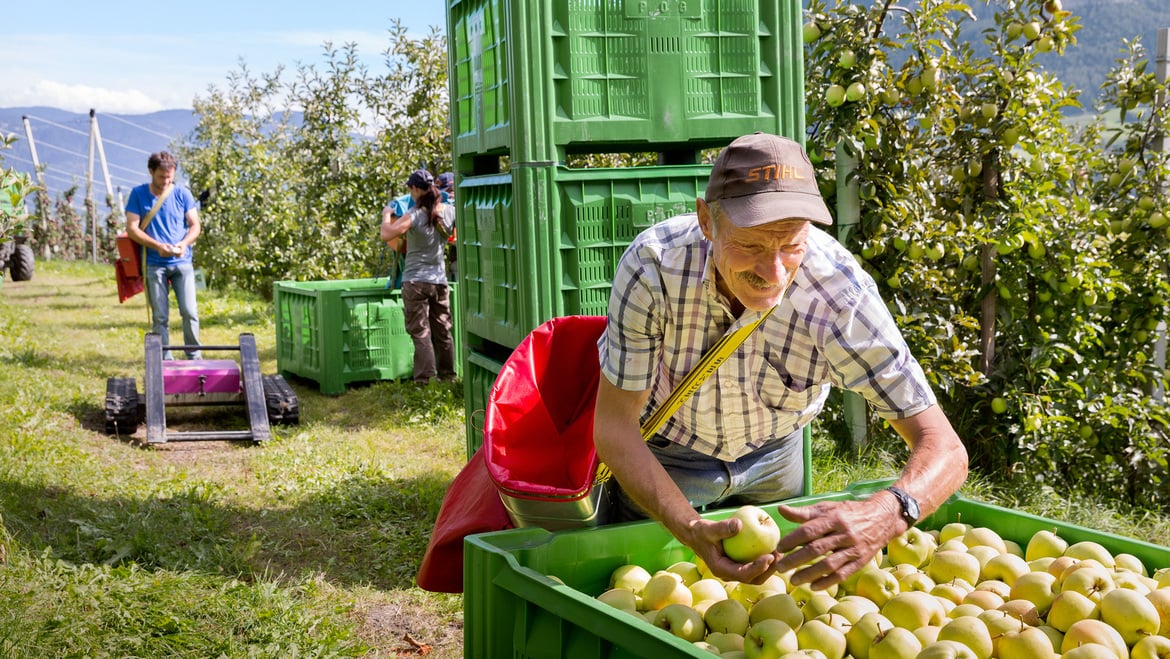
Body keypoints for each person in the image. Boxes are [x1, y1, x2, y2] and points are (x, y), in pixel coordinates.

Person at [592, 132, 969, 591]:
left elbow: (945, 447)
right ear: (707, 220)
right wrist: (688, 528)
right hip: (669, 456)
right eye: (751, 245)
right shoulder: (655, 268)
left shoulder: (838, 295)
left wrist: (892, 509)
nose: (774, 274)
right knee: (648, 588)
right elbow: (615, 427)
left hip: (776, 455)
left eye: (791, 245)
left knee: (772, 599)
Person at [380, 169, 457, 384]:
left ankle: (425, 381)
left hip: (415, 282)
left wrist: (386, 214)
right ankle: (448, 377)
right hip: (439, 282)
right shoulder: (450, 211)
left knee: (421, 332)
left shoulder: (414, 214)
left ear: (415, 189)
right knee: (443, 331)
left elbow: (386, 234)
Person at [125, 151, 203, 360]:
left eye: (170, 177)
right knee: (160, 316)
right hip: (153, 263)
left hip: (182, 262)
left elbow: (195, 225)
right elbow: (132, 228)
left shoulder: (182, 194)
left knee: (190, 312)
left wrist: (184, 243)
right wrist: (157, 245)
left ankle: (194, 357)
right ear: (151, 172)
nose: (166, 181)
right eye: (162, 177)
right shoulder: (138, 194)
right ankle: (164, 360)